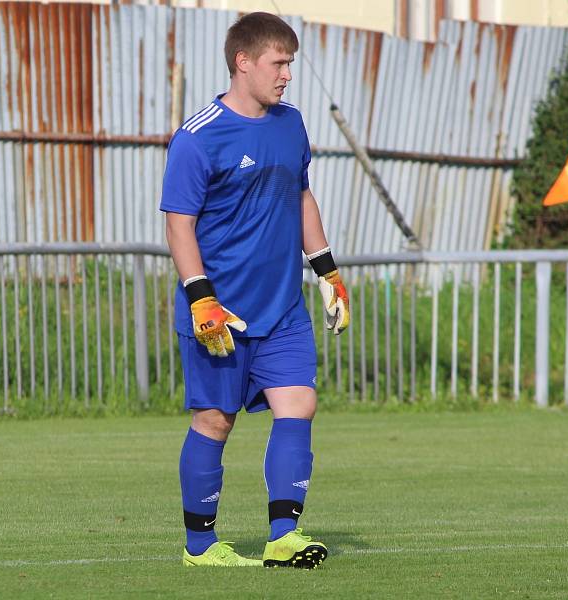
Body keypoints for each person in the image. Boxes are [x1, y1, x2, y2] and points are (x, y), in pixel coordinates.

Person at [159, 12, 349, 569]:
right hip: (220, 309)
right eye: (278, 62)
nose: (287, 74)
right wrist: (199, 297)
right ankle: (201, 546)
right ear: (244, 62)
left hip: (283, 306)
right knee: (215, 421)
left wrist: (327, 270)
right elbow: (178, 222)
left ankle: (283, 535)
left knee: (300, 404)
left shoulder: (291, 125)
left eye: (290, 62)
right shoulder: (197, 137)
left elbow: (302, 195)